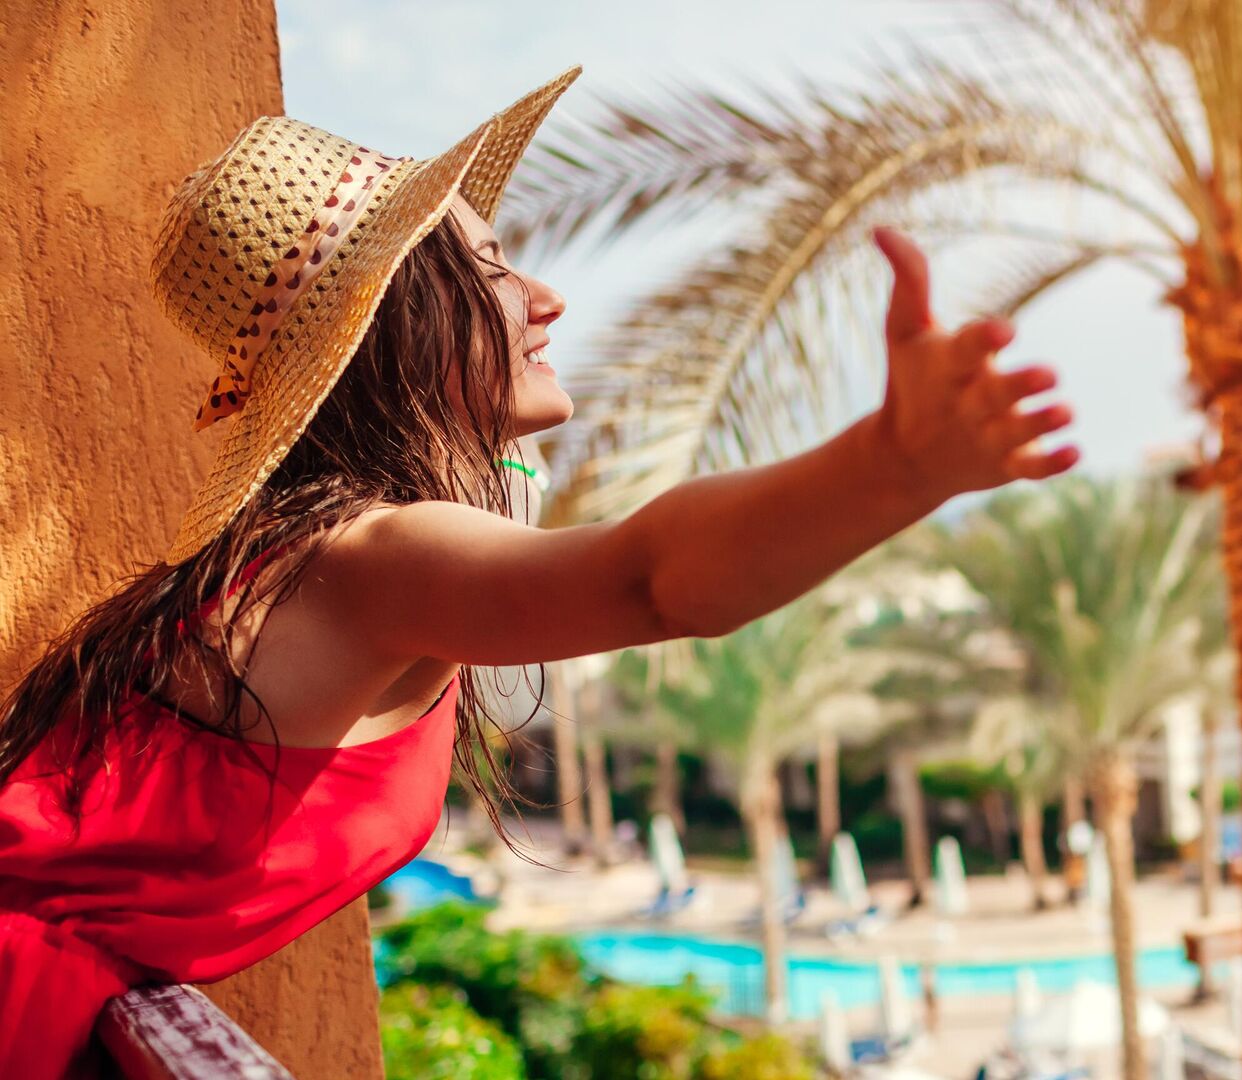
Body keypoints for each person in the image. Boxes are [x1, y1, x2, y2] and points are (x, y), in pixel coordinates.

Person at [0, 65, 1077, 1076]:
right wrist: (894, 467)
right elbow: (650, 581)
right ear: (387, 325)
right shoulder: (376, 558)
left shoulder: (333, 556)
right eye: (491, 271)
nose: (547, 297)